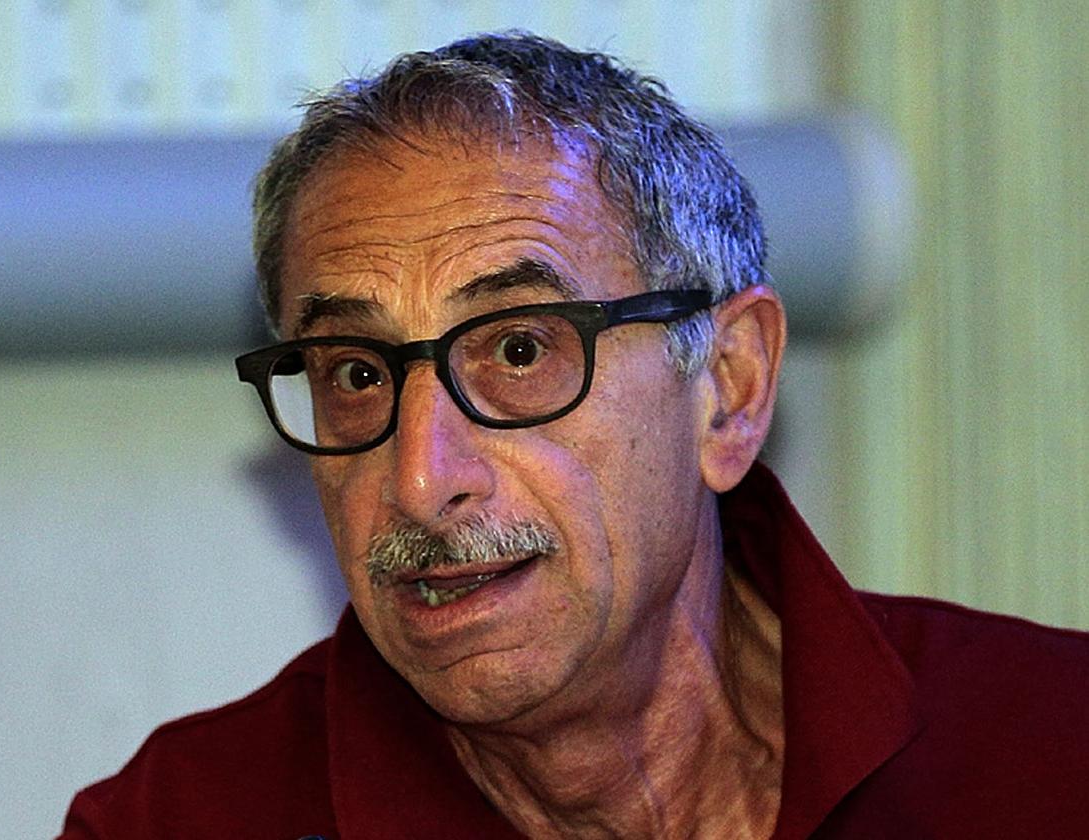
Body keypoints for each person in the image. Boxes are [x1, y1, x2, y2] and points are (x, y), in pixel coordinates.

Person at [58, 32, 1089, 839]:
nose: (421, 481)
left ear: (728, 391)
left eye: (517, 353)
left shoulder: (1049, 757)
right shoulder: (181, 821)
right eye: (359, 376)